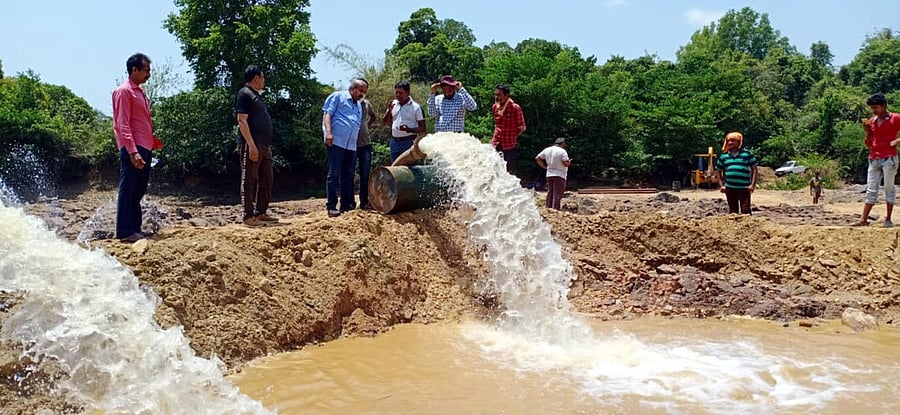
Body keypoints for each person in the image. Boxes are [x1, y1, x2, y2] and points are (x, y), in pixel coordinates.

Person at [112, 53, 161, 242]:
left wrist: (151, 140)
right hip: (133, 148)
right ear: (134, 70)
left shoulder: (140, 92)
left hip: (144, 146)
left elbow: (141, 121)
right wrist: (133, 151)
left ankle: (134, 229)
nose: (149, 74)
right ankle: (125, 231)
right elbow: (122, 123)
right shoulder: (124, 91)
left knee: (138, 190)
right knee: (128, 188)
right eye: (146, 70)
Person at [235, 65, 276, 227]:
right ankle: (248, 215)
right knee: (249, 178)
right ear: (256, 77)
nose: (264, 81)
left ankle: (261, 212)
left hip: (264, 144)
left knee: (267, 177)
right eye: (263, 77)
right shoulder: (244, 94)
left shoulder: (256, 96)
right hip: (252, 143)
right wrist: (251, 144)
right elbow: (242, 120)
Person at [323, 78, 368, 217]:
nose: (362, 94)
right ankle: (331, 206)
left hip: (352, 145)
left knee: (348, 175)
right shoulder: (338, 96)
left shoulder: (359, 105)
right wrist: (328, 133)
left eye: (364, 92)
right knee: (334, 174)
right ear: (353, 89)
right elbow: (327, 114)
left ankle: (346, 205)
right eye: (360, 91)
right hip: (337, 142)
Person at [857, 93, 900, 227]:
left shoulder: (896, 118)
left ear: (883, 106)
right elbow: (869, 143)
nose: (873, 110)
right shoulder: (872, 121)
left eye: (876, 107)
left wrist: (897, 140)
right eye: (872, 108)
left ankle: (888, 218)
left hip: (889, 157)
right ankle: (863, 220)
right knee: (871, 189)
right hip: (874, 157)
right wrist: (868, 133)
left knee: (888, 188)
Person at [715, 132, 758, 215]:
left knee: (745, 210)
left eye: (733, 140)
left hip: (744, 188)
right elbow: (718, 170)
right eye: (728, 141)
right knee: (733, 211)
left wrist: (752, 185)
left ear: (738, 142)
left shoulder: (747, 154)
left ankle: (747, 223)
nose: (730, 142)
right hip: (730, 188)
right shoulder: (724, 156)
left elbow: (754, 169)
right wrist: (721, 185)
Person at [383, 81, 426, 162]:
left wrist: (409, 129)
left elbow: (423, 128)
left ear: (407, 92)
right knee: (395, 167)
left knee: (410, 167)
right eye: (397, 93)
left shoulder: (416, 107)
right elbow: (385, 122)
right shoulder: (393, 104)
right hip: (395, 142)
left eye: (401, 93)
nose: (398, 95)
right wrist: (389, 110)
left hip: (409, 142)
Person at [491, 83, 527, 176]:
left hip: (509, 145)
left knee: (509, 172)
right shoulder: (495, 107)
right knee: (495, 170)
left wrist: (512, 136)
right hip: (496, 143)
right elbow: (496, 124)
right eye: (495, 94)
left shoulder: (515, 108)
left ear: (506, 95)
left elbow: (522, 127)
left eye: (499, 94)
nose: (496, 97)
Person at [535, 138, 572, 210]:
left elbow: (537, 158)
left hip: (549, 174)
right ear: (563, 144)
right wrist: (569, 162)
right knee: (557, 194)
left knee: (550, 192)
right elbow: (565, 163)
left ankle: (548, 209)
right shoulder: (562, 151)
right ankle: (555, 210)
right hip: (560, 174)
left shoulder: (547, 149)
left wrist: (544, 167)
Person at [355, 97, 377, 209]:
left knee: (365, 174)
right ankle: (348, 202)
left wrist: (365, 126)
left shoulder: (367, 103)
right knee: (348, 173)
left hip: (365, 143)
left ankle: (364, 201)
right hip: (350, 144)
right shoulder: (349, 103)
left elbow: (373, 116)